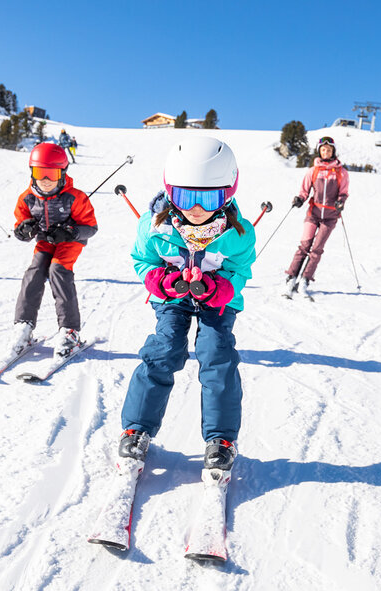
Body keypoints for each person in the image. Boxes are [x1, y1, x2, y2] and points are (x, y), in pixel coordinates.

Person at [118, 136, 256, 474]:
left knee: (217, 355)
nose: (196, 208)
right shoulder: (152, 227)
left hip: (216, 302)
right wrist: (159, 281)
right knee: (164, 350)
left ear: (227, 193)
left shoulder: (238, 233)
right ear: (169, 191)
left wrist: (219, 288)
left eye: (208, 197)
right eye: (184, 196)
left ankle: (221, 439)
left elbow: (240, 269)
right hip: (174, 298)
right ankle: (136, 428)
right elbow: (142, 260)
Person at [7, 143, 98, 356]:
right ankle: (24, 325)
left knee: (58, 270)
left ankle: (70, 330)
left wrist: (70, 232)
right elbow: (20, 223)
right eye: (40, 173)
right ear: (32, 172)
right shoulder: (27, 198)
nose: (45, 180)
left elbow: (91, 227)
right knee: (35, 271)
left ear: (62, 173)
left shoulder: (75, 197)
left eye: (52, 174)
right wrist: (23, 230)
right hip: (45, 241)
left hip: (69, 242)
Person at [282, 136, 350, 299]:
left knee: (317, 249)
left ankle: (305, 279)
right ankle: (291, 277)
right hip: (313, 213)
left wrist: (341, 202)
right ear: (319, 151)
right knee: (304, 246)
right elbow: (304, 191)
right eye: (323, 149)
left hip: (330, 216)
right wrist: (300, 199)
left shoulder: (341, 172)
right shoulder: (313, 170)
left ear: (333, 152)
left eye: (329, 150)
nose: (326, 152)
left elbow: (343, 192)